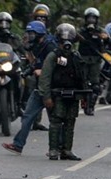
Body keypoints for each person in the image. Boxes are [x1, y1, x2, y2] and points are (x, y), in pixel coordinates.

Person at [2, 21, 57, 155]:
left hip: (51, 88)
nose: (29, 36)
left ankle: (57, 149)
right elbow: (34, 62)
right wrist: (28, 50)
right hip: (40, 88)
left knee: (55, 120)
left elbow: (54, 66)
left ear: (39, 34)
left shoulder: (50, 46)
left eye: (32, 33)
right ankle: (18, 145)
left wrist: (42, 71)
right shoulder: (36, 46)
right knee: (27, 116)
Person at [40, 23, 87, 161]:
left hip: (73, 94)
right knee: (56, 122)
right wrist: (46, 96)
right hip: (57, 94)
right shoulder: (53, 56)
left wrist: (84, 96)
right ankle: (53, 150)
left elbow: (81, 76)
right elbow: (45, 77)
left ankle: (67, 150)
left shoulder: (75, 56)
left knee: (70, 122)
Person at [78, 7, 111, 116]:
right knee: (80, 83)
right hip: (82, 59)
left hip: (96, 60)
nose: (91, 20)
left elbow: (109, 40)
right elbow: (72, 37)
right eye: (89, 18)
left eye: (93, 18)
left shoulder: (100, 31)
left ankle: (91, 106)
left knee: (95, 85)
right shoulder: (81, 31)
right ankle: (81, 102)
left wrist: (105, 37)